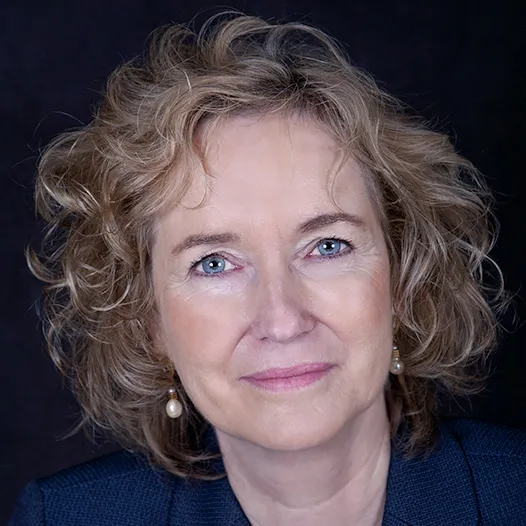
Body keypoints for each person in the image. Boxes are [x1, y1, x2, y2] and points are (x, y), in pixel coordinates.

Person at [9, 12, 526, 526]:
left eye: (327, 247)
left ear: (404, 278)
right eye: (214, 263)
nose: (282, 320)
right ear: (148, 320)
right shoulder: (65, 518)